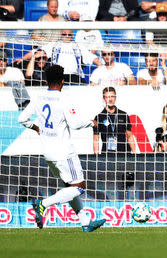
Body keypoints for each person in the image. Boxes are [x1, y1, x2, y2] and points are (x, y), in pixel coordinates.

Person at [17, 64, 106, 232]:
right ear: (63, 81)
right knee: (78, 188)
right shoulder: (64, 98)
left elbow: (22, 118)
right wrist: (91, 122)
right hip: (64, 152)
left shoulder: (39, 97)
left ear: (46, 81)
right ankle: (42, 204)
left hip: (48, 153)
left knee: (69, 186)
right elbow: (74, 123)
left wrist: (36, 128)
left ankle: (85, 223)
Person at [93, 86, 137, 154]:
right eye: (107, 97)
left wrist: (135, 154)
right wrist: (96, 157)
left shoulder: (123, 115)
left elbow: (130, 136)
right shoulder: (99, 117)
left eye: (112, 96)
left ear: (115, 97)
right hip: (107, 154)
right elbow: (96, 139)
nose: (110, 99)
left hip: (124, 153)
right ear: (103, 99)